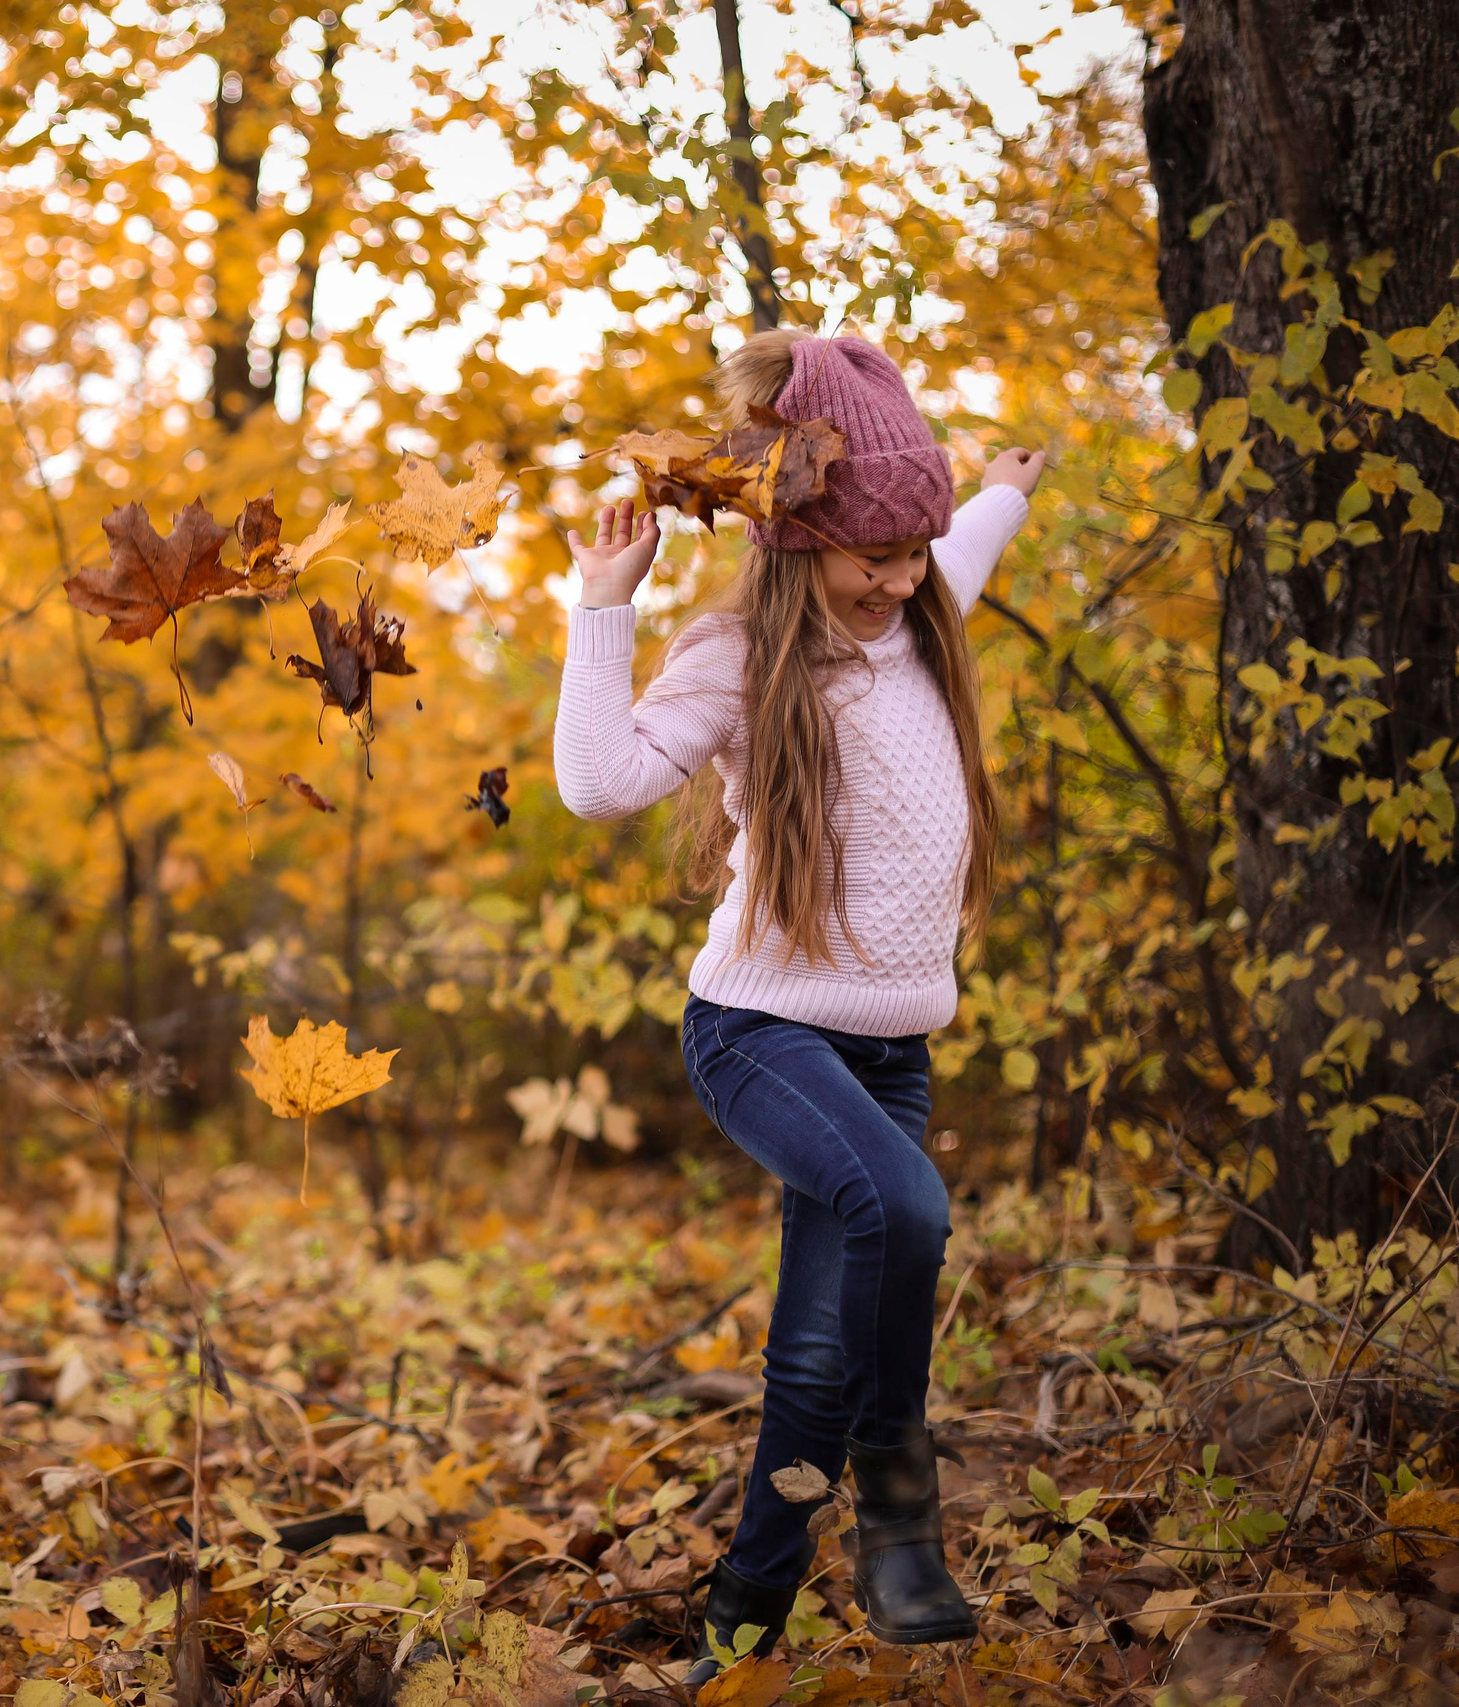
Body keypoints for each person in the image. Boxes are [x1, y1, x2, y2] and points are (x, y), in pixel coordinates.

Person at [555, 330, 1045, 1680]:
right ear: (796, 540)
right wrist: (602, 604)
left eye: (909, 553)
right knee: (910, 1209)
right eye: (868, 556)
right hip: (760, 1032)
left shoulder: (921, 615)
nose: (895, 579)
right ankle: (899, 1501)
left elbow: (962, 546)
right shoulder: (742, 654)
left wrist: (1000, 490)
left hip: (889, 1054)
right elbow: (599, 785)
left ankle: (737, 1636)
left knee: (817, 1355)